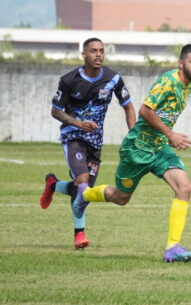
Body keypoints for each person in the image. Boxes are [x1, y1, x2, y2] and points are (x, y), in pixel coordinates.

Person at [76, 44, 191, 263]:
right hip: (137, 149)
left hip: (160, 148)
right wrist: (170, 134)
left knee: (185, 188)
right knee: (121, 198)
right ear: (180, 63)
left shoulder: (190, 85)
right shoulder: (168, 82)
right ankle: (84, 194)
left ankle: (172, 248)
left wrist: (166, 138)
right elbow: (145, 110)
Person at [39, 37, 136, 249]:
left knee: (85, 191)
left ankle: (53, 185)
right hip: (73, 134)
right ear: (84, 54)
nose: (98, 54)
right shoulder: (69, 80)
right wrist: (78, 123)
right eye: (93, 51)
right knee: (82, 182)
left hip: (95, 140)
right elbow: (56, 111)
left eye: (101, 50)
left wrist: (133, 136)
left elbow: (128, 107)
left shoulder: (113, 78)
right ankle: (79, 234)